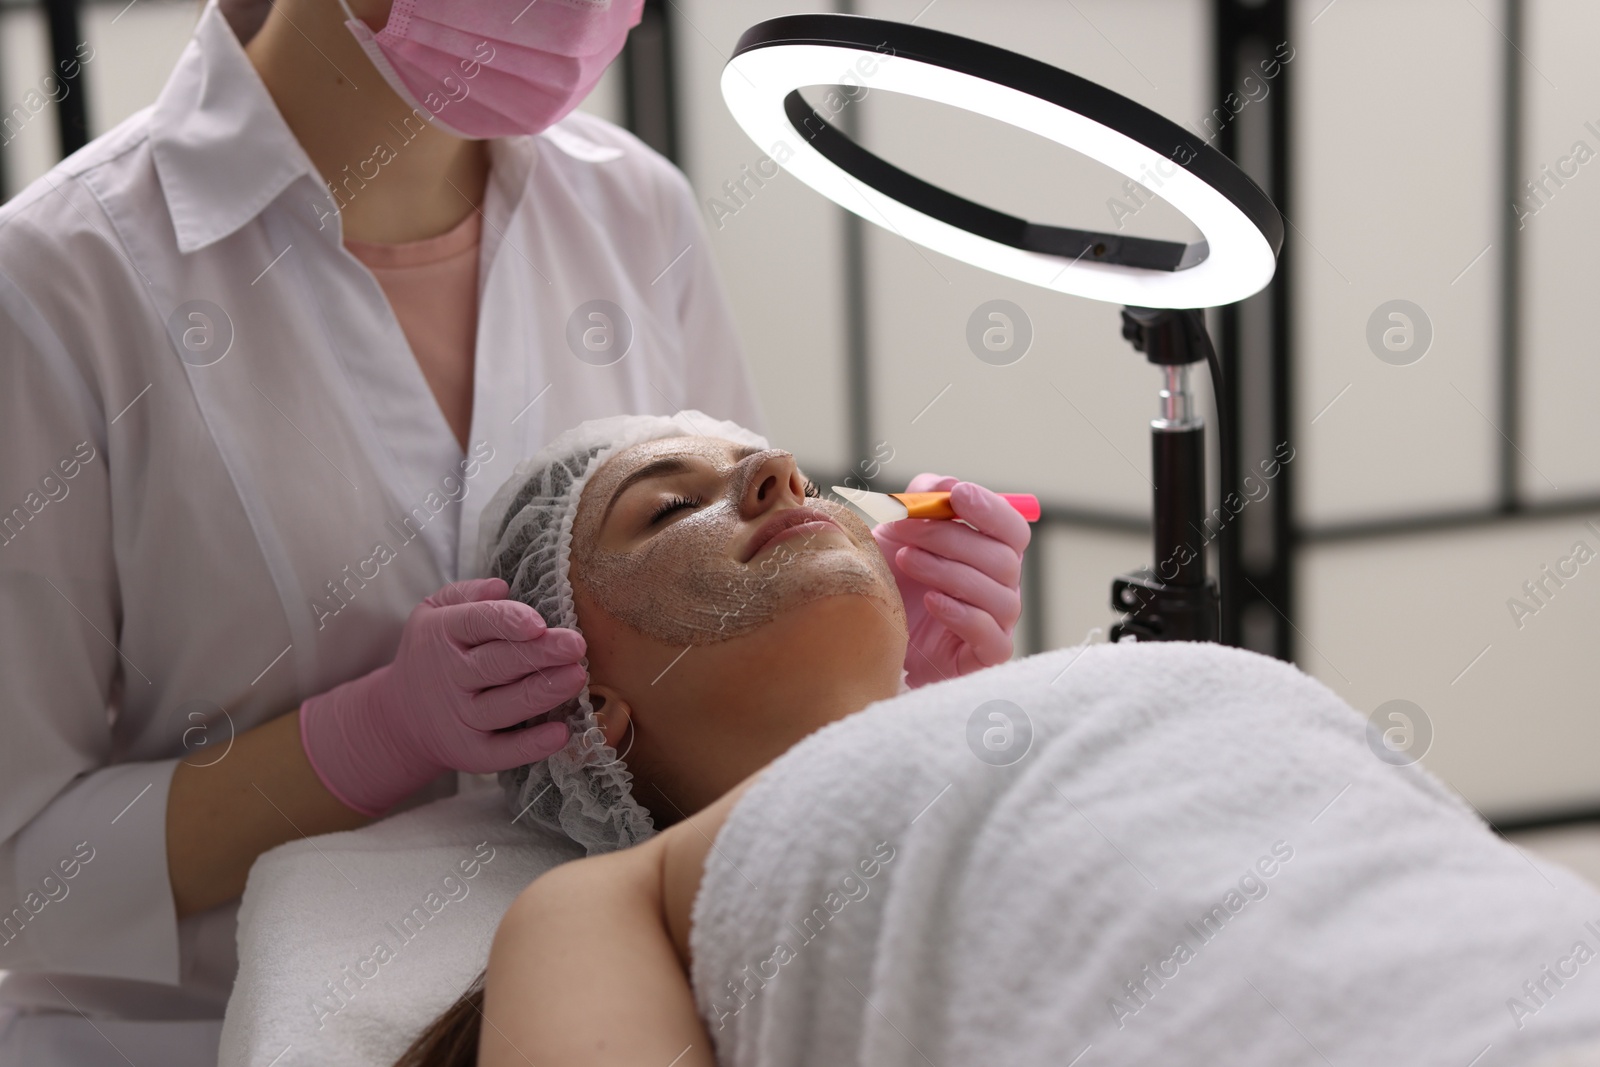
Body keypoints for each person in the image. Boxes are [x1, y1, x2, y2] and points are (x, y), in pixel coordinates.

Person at [0, 4, 1025, 1065]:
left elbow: (722, 687)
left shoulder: (635, 208)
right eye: (666, 504)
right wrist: (358, 740)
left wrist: (891, 681)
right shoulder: (58, 284)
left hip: (667, 1003)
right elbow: (17, 878)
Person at [389, 414, 1600, 1067]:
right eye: (665, 506)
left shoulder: (1110, 692)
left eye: (775, 460)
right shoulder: (615, 901)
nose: (774, 471)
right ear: (589, 709)